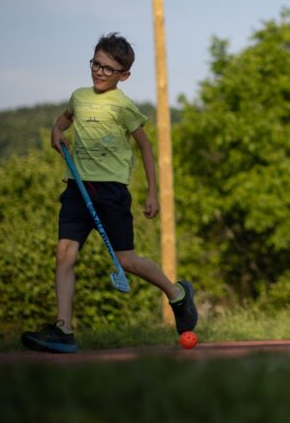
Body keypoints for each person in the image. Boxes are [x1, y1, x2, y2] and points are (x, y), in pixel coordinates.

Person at [21, 32, 198, 354]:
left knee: (126, 260)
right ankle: (63, 329)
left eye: (108, 69)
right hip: (77, 188)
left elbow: (145, 147)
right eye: (96, 65)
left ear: (124, 75)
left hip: (111, 192)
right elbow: (61, 122)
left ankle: (177, 294)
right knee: (64, 254)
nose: (100, 73)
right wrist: (55, 132)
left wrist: (153, 194)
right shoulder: (78, 97)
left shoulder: (122, 106)